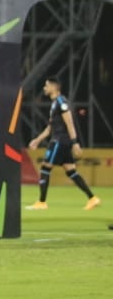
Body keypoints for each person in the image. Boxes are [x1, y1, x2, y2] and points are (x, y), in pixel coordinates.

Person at [27, 77, 100, 212]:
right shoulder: (55, 103)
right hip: (60, 140)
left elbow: (70, 123)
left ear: (54, 87)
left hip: (60, 141)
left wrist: (75, 142)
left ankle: (42, 202)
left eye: (46, 85)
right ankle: (92, 198)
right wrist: (37, 140)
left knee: (45, 168)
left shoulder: (61, 102)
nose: (44, 88)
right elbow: (50, 127)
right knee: (71, 171)